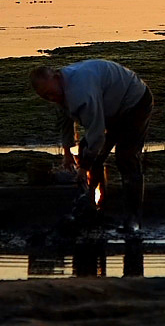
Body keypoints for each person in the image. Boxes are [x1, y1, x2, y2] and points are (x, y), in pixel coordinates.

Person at [29, 59, 153, 233]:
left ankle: (133, 220)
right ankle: (96, 207)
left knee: (126, 157)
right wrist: (67, 153)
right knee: (86, 149)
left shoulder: (81, 93)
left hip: (134, 101)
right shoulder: (59, 93)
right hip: (110, 105)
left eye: (51, 93)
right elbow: (65, 122)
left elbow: (97, 134)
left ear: (57, 77)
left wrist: (83, 168)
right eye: (46, 97)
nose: (51, 98)